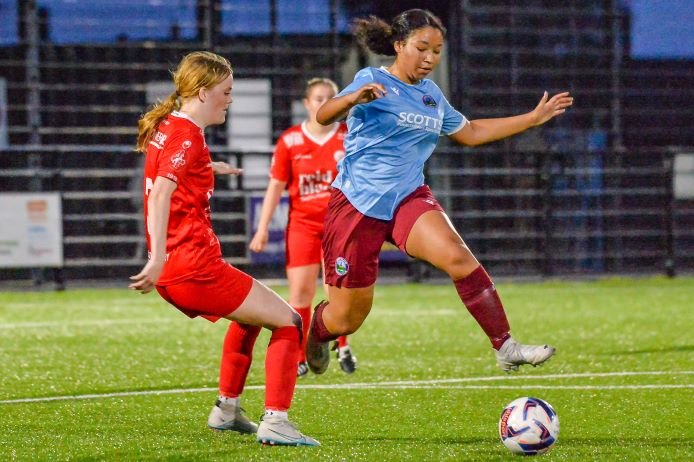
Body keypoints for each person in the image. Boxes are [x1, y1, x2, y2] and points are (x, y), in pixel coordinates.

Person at [307, 9, 573, 375]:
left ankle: (505, 345)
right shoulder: (371, 79)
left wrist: (531, 119)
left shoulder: (431, 95)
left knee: (458, 257)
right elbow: (324, 116)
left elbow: (472, 132)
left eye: (437, 50)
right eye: (422, 48)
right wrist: (354, 99)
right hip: (356, 204)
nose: (431, 57)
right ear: (399, 46)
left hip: (408, 198)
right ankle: (314, 333)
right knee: (347, 319)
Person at [129, 51, 319, 447]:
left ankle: (227, 410)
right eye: (226, 91)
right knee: (290, 322)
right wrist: (157, 258)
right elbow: (161, 192)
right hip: (192, 265)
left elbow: (170, 171)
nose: (230, 99)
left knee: (250, 317)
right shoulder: (186, 133)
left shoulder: (170, 126)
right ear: (202, 92)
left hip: (183, 268)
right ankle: (277, 420)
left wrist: (205, 168)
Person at [249, 77, 357, 377]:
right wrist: (262, 229)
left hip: (339, 225)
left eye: (330, 98)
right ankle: (299, 355)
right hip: (303, 225)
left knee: (337, 290)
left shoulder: (349, 136)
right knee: (300, 294)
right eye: (318, 98)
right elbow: (276, 186)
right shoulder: (291, 140)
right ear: (307, 104)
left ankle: (342, 344)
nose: (324, 103)